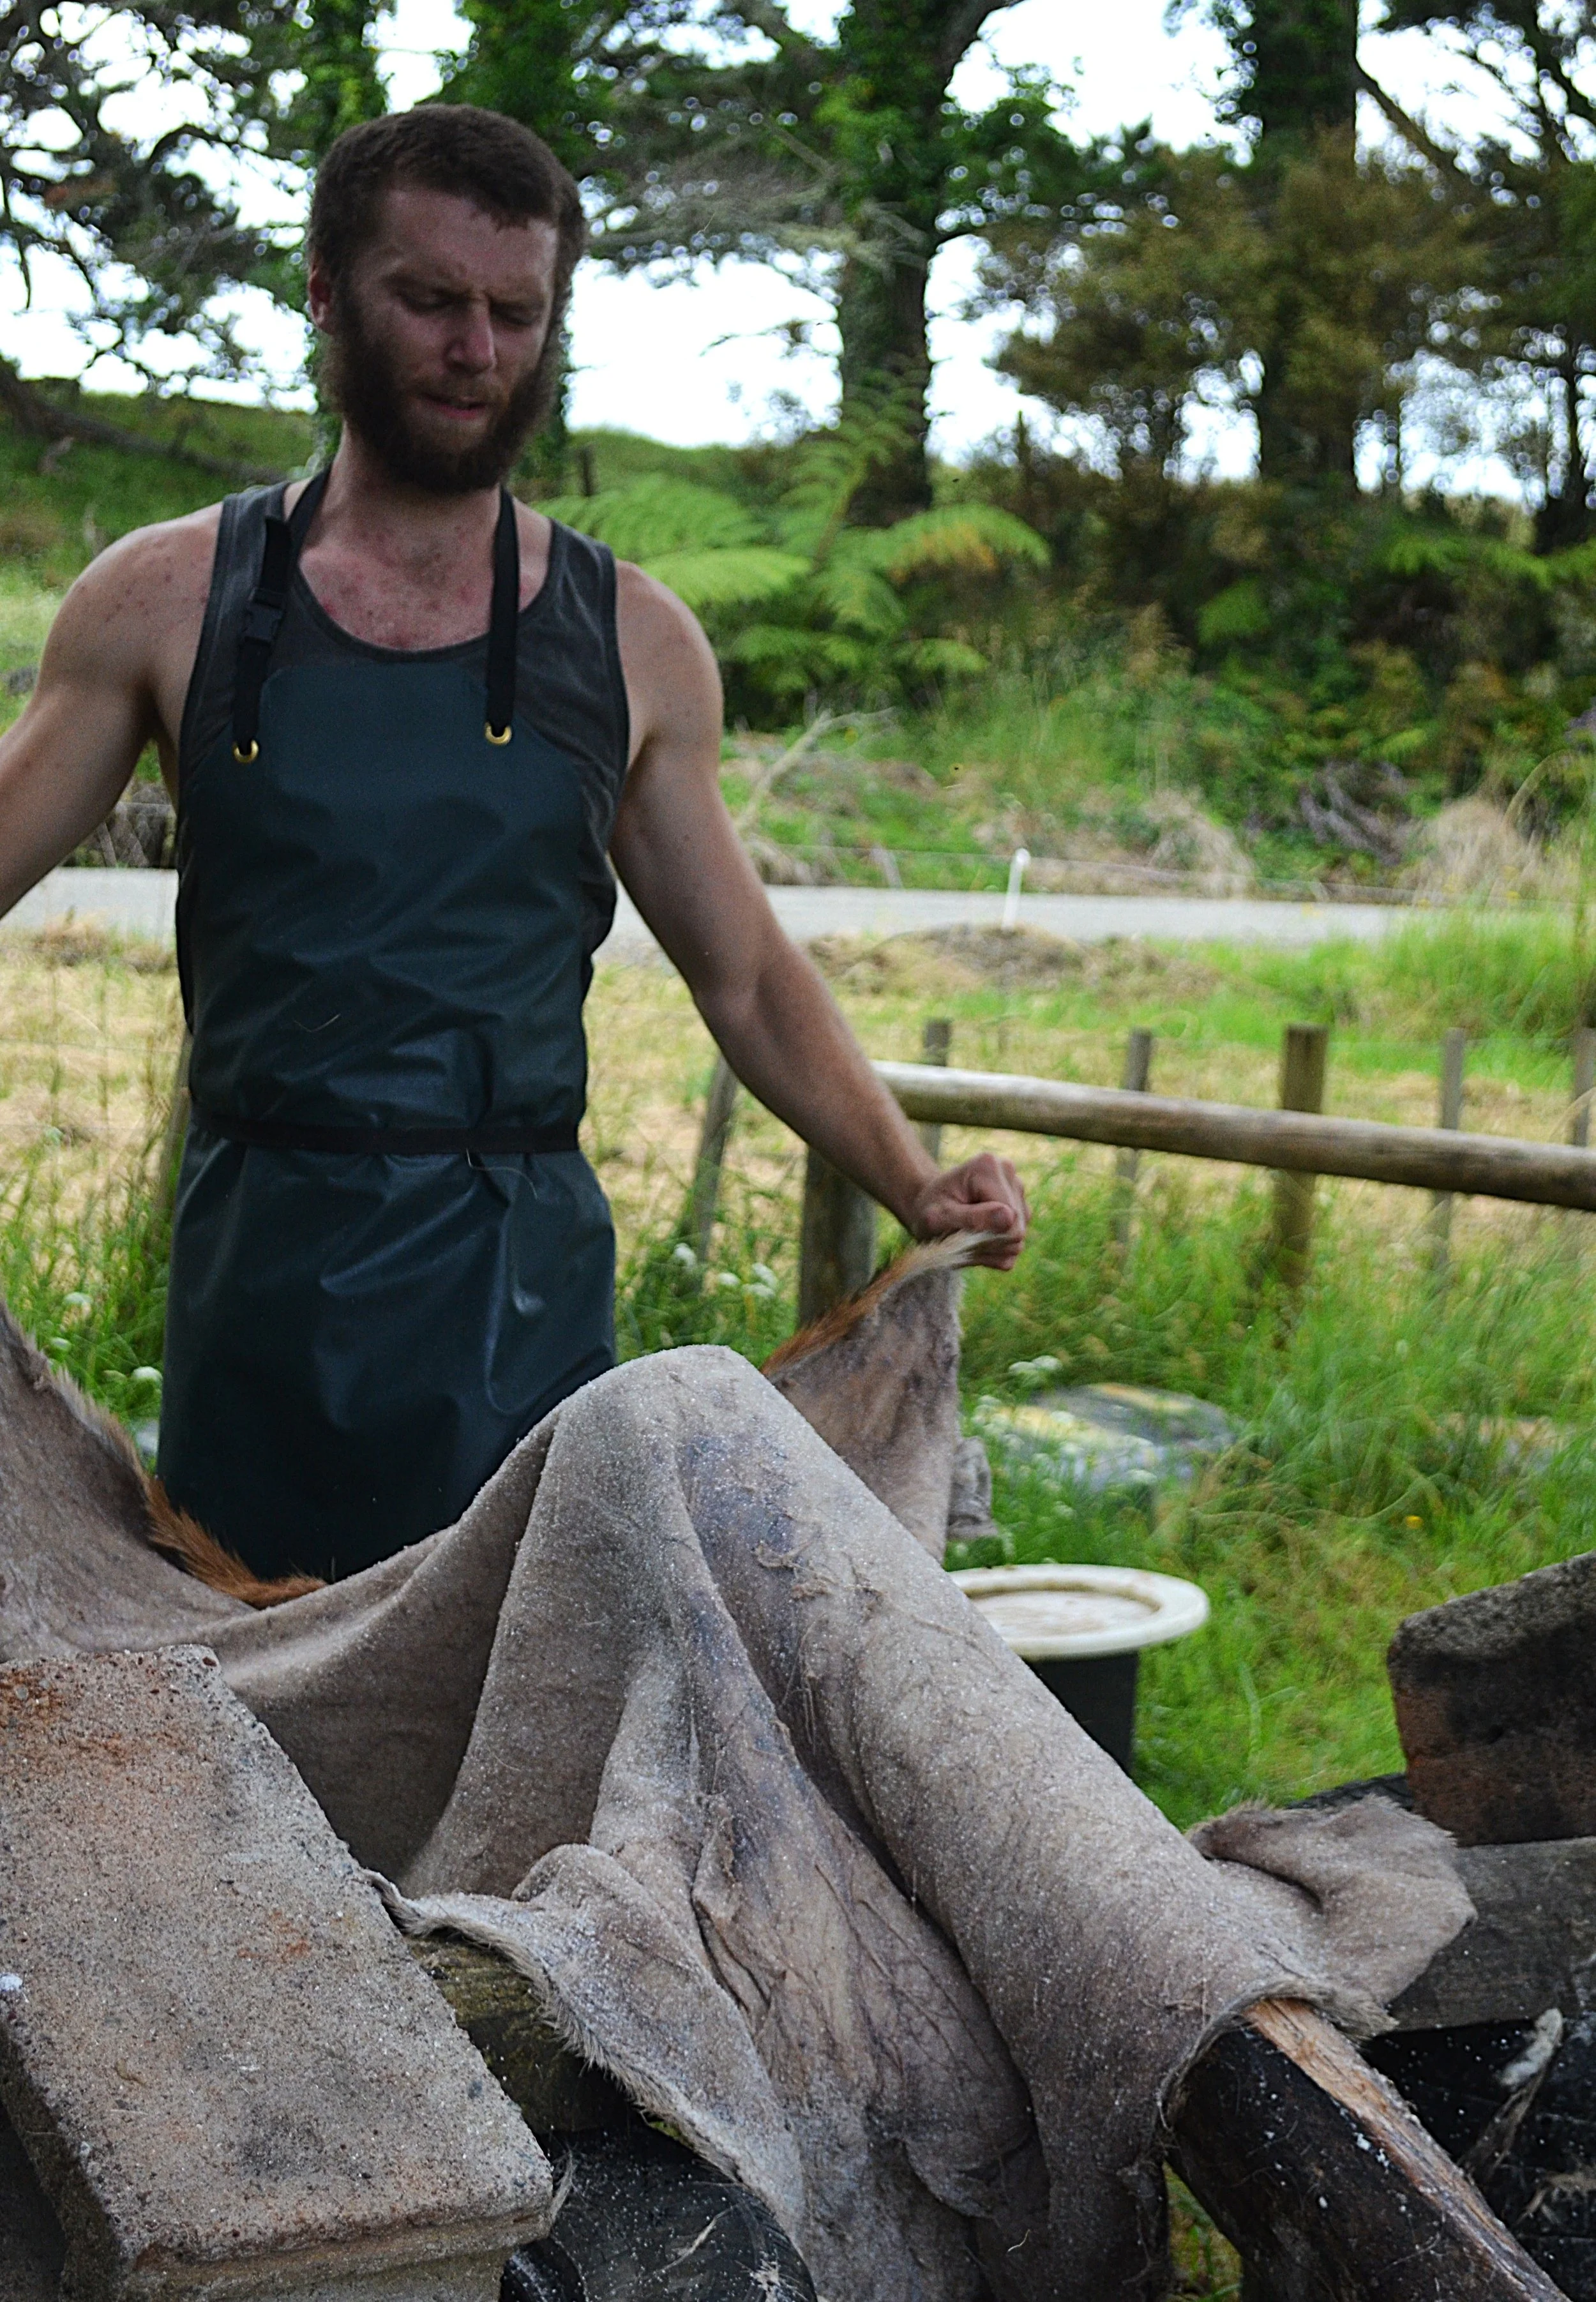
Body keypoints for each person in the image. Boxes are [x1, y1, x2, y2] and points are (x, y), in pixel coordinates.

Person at [0, 104, 1028, 1584]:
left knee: (523, 1671)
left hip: (517, 1305)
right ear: (326, 293)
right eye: (430, 300)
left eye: (515, 312)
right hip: (256, 1288)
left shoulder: (632, 642)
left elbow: (742, 976)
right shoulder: (165, 602)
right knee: (251, 1673)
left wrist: (910, 1182)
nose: (475, 349)